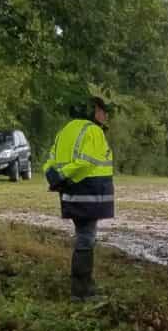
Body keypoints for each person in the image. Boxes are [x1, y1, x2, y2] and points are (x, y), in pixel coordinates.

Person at [44, 85, 115, 300]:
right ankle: (82, 291)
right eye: (102, 111)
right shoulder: (92, 131)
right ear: (93, 111)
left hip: (70, 193)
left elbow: (49, 161)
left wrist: (54, 176)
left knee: (83, 236)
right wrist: (65, 175)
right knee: (86, 239)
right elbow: (87, 162)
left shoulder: (64, 130)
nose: (105, 116)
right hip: (88, 193)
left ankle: (84, 288)